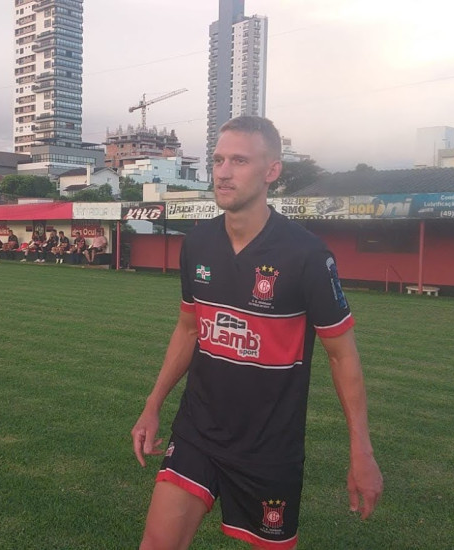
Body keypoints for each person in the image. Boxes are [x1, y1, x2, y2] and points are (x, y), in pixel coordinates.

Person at [130, 116, 383, 550]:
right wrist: (153, 404)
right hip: (198, 430)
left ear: (271, 171)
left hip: (269, 448)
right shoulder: (198, 244)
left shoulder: (307, 255)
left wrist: (361, 448)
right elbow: (189, 328)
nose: (224, 172)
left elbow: (343, 356)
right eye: (218, 160)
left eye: (240, 160)